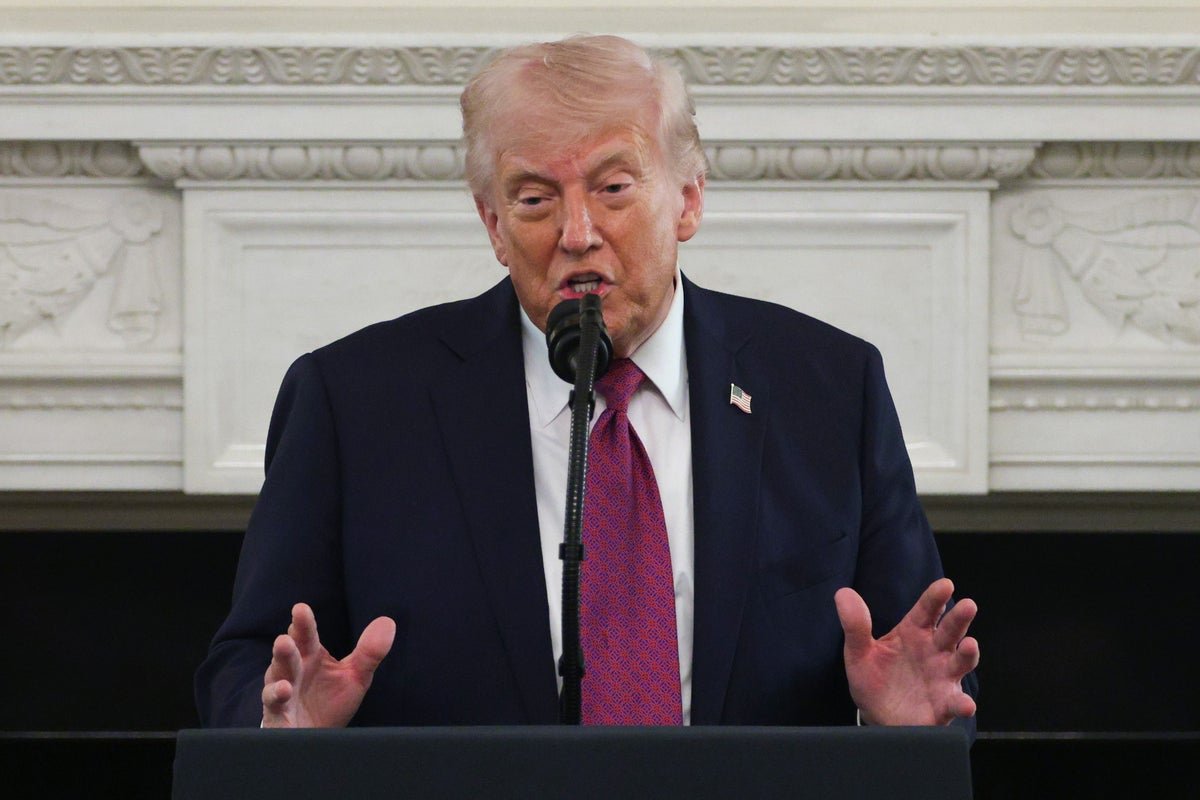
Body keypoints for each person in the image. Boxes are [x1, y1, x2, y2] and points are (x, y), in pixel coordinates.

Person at [196, 35, 979, 734]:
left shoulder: (830, 388)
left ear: (689, 198)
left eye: (613, 188)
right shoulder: (354, 402)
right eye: (535, 199)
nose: (576, 234)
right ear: (494, 226)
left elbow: (922, 668)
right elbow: (250, 667)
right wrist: (279, 738)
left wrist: (905, 731)